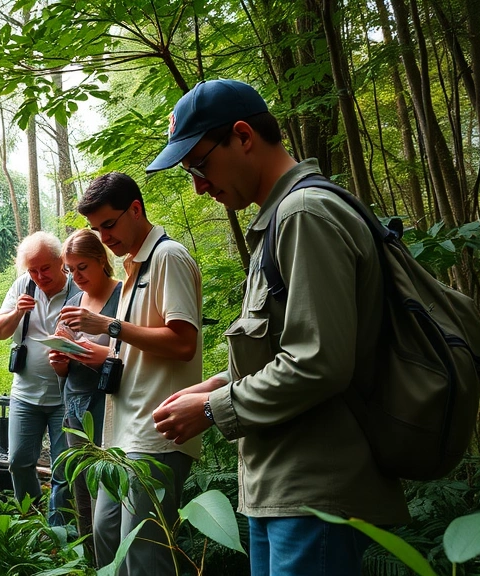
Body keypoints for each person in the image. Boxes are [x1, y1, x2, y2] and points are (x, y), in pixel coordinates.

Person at [147, 79, 409, 575]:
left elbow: (319, 363)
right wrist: (216, 384)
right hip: (282, 489)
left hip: (316, 490)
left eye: (199, 165)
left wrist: (210, 407)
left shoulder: (305, 214)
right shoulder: (278, 222)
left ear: (243, 136)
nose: (199, 185)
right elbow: (287, 350)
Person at [68, 172, 203, 575]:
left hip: (158, 429)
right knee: (106, 538)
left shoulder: (168, 257)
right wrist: (86, 349)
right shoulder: (133, 268)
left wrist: (108, 326)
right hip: (122, 431)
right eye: (96, 229)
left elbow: (183, 343)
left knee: (144, 554)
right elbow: (136, 346)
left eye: (109, 225)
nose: (104, 238)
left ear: (136, 210)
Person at [0, 231, 75, 526]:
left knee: (64, 468)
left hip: (66, 396)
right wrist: (17, 312)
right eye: (33, 269)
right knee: (18, 461)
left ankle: (57, 530)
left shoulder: (78, 289)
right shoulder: (23, 286)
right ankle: (31, 519)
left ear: (61, 262)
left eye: (45, 268)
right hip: (25, 394)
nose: (39, 275)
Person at [48, 228, 121, 551]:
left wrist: (94, 355)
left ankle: (115, 561)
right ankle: (89, 558)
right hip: (73, 403)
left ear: (101, 260)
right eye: (69, 269)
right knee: (80, 483)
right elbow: (63, 365)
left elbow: (133, 355)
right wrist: (59, 359)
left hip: (107, 404)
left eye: (82, 267)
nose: (76, 276)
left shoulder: (124, 296)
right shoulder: (74, 300)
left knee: (107, 487)